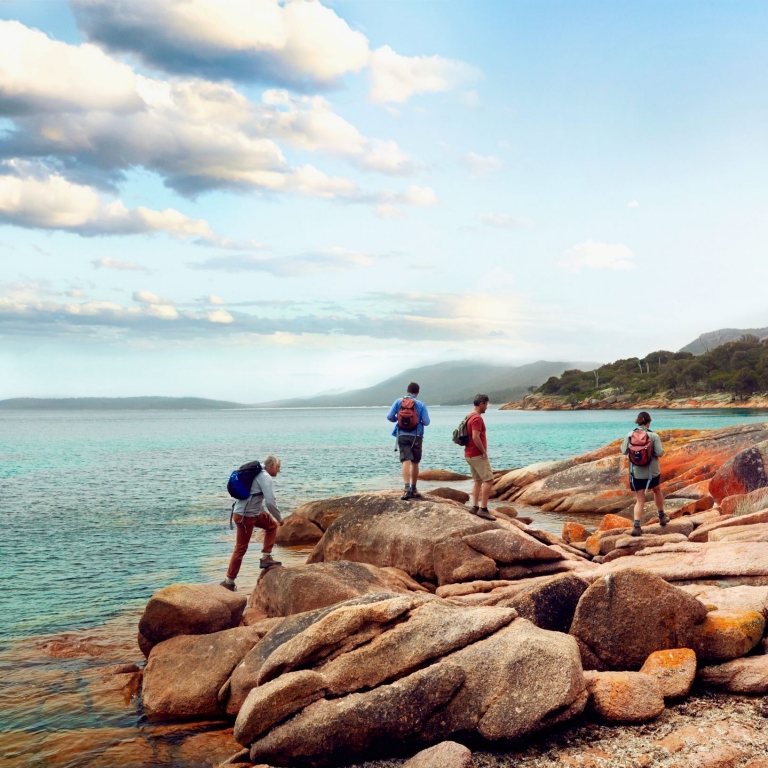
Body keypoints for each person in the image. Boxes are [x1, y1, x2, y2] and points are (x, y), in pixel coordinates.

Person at [220, 455, 284, 591]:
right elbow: (271, 502)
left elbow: (253, 494)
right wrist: (280, 519)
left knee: (271, 526)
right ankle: (229, 581)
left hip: (251, 513)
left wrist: (262, 511)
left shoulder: (258, 473)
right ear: (271, 466)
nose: (279, 470)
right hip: (245, 516)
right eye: (278, 467)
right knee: (241, 548)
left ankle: (266, 558)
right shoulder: (265, 477)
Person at [621, 412, 669, 537]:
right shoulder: (653, 436)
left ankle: (636, 526)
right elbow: (659, 453)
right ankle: (662, 516)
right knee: (657, 490)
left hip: (636, 472)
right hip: (652, 472)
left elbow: (623, 451)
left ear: (637, 421)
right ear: (649, 422)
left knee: (640, 499)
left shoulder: (630, 435)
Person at [387, 382, 430, 500]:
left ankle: (406, 489)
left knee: (405, 461)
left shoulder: (398, 401)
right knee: (415, 462)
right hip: (416, 435)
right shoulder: (420, 404)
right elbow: (426, 422)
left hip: (401, 434)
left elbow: (389, 417)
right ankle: (414, 489)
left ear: (407, 390)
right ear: (418, 392)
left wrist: (400, 419)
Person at [465, 394, 495, 520]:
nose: (486, 407)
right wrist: (483, 451)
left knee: (477, 481)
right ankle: (483, 509)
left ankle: (475, 506)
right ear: (482, 403)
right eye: (486, 404)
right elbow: (475, 437)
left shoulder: (469, 416)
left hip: (469, 453)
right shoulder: (477, 419)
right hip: (477, 454)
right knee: (489, 480)